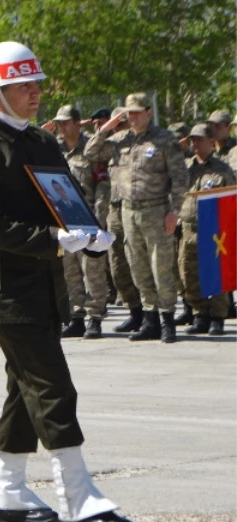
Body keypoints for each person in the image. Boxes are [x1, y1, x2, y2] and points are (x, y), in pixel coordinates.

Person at [0, 39, 133, 522]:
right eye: (23, 85)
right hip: (4, 291)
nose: (35, 93)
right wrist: (54, 240)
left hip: (44, 286)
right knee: (53, 387)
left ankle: (7, 489)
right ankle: (79, 497)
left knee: (23, 389)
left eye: (35, 83)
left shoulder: (41, 142)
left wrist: (92, 235)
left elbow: (66, 199)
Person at [85, 93, 188, 342]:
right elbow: (90, 152)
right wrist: (107, 127)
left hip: (157, 210)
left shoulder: (164, 139)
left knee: (160, 267)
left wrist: (175, 211)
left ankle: (167, 321)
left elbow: (180, 177)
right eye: (128, 113)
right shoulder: (119, 140)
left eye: (136, 112)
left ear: (148, 112)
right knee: (138, 267)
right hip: (128, 211)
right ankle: (150, 319)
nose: (132, 117)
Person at [48, 104, 109, 339]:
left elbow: (103, 185)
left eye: (66, 122)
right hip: (63, 217)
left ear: (77, 123)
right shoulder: (55, 150)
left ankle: (95, 317)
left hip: (88, 216)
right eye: (59, 123)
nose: (62, 127)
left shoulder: (91, 149)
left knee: (92, 269)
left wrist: (99, 218)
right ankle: (76, 315)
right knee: (69, 269)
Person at [85, 107, 145, 335]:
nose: (119, 129)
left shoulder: (144, 143)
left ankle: (153, 314)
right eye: (116, 124)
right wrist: (105, 129)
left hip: (140, 210)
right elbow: (90, 151)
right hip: (115, 210)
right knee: (119, 265)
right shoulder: (112, 145)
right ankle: (135, 312)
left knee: (140, 263)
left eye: (122, 124)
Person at [179, 124, 236, 338]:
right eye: (192, 139)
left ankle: (218, 317)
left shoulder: (223, 170)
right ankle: (200, 314)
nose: (195, 143)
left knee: (216, 273)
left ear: (211, 142)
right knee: (188, 273)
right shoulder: (185, 167)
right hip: (188, 228)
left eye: (199, 139)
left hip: (214, 228)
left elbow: (231, 199)